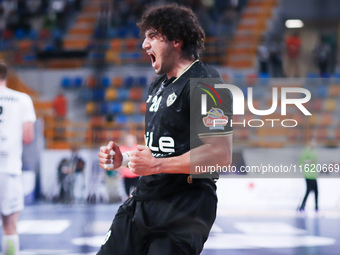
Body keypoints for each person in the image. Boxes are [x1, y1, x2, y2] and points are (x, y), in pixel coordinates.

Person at [97, 4, 233, 255]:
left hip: (186, 206)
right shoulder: (158, 85)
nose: (144, 45)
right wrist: (125, 159)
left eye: (151, 36)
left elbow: (220, 155)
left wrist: (156, 166)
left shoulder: (207, 83)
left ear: (176, 40)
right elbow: (159, 150)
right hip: (146, 198)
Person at [0, 61, 36, 255]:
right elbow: (28, 137)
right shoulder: (22, 99)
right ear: (7, 76)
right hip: (9, 169)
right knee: (10, 227)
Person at [117, 133, 139, 201]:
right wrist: (119, 172)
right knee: (127, 196)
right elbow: (118, 162)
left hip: (136, 175)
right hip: (125, 176)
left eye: (131, 140)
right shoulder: (121, 149)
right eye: (128, 140)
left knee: (137, 194)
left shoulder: (138, 148)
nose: (129, 141)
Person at [299, 138, 318, 212]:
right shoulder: (306, 151)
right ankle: (302, 206)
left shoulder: (314, 151)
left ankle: (316, 207)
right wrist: (310, 162)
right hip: (308, 175)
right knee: (308, 190)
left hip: (313, 175)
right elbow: (301, 163)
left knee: (316, 191)